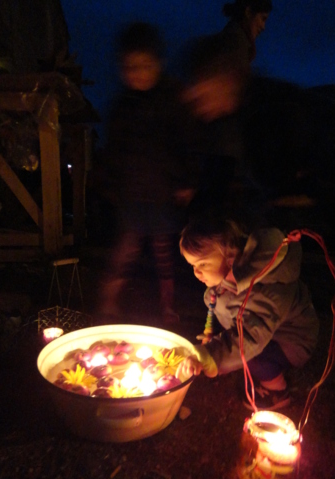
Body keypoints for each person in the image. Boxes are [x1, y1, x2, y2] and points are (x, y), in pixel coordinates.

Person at [96, 22, 197, 323]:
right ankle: (107, 302)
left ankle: (167, 306)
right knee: (124, 251)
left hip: (163, 192)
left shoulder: (172, 100)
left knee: (164, 254)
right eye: (131, 67)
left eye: (145, 65)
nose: (138, 73)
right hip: (132, 193)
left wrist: (187, 181)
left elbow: (187, 142)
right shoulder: (121, 107)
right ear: (121, 68)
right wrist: (107, 182)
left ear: (159, 64)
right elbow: (113, 149)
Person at [176, 217, 319, 410]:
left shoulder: (265, 289)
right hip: (270, 332)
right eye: (192, 265)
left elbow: (251, 337)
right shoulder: (231, 275)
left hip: (292, 341)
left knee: (252, 356)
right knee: (243, 350)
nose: (196, 272)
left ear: (231, 258)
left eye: (202, 264)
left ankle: (276, 391)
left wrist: (211, 354)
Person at [222, 0, 273, 69]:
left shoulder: (232, 38)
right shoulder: (235, 44)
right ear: (248, 12)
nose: (263, 27)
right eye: (263, 18)